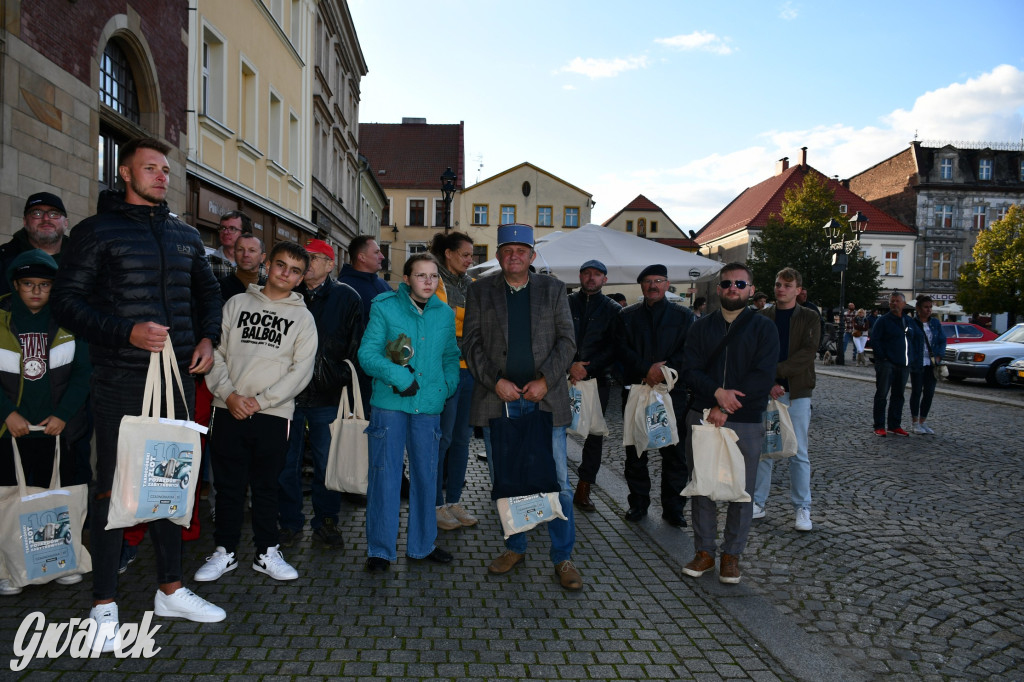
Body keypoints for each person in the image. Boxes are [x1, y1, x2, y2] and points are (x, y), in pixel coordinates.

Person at [51, 137, 226, 651]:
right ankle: (104, 603)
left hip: (175, 379)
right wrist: (123, 331)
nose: (162, 176)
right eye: (150, 168)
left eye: (166, 169)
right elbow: (65, 302)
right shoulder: (94, 231)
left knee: (169, 485)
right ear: (124, 173)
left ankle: (170, 588)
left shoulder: (185, 235)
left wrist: (208, 337)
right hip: (119, 377)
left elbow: (209, 290)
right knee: (115, 489)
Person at [463, 223, 581, 590]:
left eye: (522, 251)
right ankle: (515, 545)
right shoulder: (481, 291)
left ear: (531, 256)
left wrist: (546, 379)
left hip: (545, 401)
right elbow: (471, 344)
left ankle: (563, 557)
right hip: (500, 402)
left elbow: (567, 341)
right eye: (508, 250)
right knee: (507, 479)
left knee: (557, 481)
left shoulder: (553, 289)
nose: (515, 256)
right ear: (498, 255)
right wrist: (494, 380)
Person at [195, 241, 317, 583]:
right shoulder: (236, 303)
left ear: (301, 277)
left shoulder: (303, 318)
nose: (286, 274)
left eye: (295, 271)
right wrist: (229, 394)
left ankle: (267, 552)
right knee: (229, 486)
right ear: (268, 264)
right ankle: (225, 552)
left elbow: (301, 370)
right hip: (228, 407)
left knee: (267, 487)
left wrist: (261, 401)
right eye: (281, 265)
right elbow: (215, 353)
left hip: (274, 415)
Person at [358, 253, 460, 572]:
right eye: (421, 276)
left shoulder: (444, 313)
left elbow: (450, 356)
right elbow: (367, 354)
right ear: (407, 279)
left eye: (433, 276)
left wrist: (446, 387)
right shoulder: (384, 306)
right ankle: (380, 549)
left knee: (427, 477)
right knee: (384, 477)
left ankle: (422, 545)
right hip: (390, 405)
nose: (428, 282)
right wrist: (400, 377)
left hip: (428, 406)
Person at [0, 250, 91, 597]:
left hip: (58, 428)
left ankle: (63, 561)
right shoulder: (2, 318)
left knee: (62, 494)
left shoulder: (69, 319)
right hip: (10, 428)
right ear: (15, 285)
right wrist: (7, 413)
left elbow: (84, 374)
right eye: (28, 284)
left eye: (44, 285)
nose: (36, 291)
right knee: (10, 497)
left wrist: (64, 415)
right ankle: (10, 567)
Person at [681, 262, 778, 585]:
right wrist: (716, 395)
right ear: (718, 289)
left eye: (740, 284)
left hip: (745, 419)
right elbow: (690, 370)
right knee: (702, 486)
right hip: (703, 414)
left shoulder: (764, 328)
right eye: (726, 284)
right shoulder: (700, 327)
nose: (732, 288)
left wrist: (728, 406)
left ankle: (731, 555)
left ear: (751, 290)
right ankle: (705, 551)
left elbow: (763, 376)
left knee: (742, 490)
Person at [278, 238, 363, 549]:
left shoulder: (347, 297)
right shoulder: (287, 294)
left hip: (328, 396)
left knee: (328, 464)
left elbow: (357, 348)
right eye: (305, 258)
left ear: (331, 264)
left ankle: (326, 521)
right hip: (286, 395)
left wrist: (334, 377)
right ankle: (288, 522)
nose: (308, 263)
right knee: (286, 463)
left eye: (314, 258)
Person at [617, 264, 694, 527]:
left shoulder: (684, 316)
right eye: (648, 281)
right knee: (636, 452)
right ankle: (638, 504)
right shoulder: (626, 316)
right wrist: (644, 369)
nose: (653, 285)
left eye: (658, 280)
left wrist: (663, 371)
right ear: (641, 285)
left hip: (671, 393)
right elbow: (621, 350)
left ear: (667, 284)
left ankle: (674, 508)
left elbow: (689, 351)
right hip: (637, 389)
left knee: (674, 454)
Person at [752, 268, 819, 531]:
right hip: (767, 392)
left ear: (798, 289)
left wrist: (776, 374)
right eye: (779, 284)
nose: (781, 289)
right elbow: (754, 353)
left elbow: (808, 353)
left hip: (798, 392)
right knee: (765, 449)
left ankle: (803, 507)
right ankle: (757, 502)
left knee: (799, 452)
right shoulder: (761, 316)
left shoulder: (810, 317)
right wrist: (769, 382)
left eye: (787, 285)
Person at [429, 232, 478, 530]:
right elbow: (440, 327)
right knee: (442, 439)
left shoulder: (471, 285)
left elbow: (476, 326)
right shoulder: (433, 280)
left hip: (469, 370)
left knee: (462, 439)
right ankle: (435, 504)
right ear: (448, 253)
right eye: (465, 254)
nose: (470, 260)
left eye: (471, 255)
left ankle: (454, 500)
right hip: (444, 372)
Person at [567, 259, 622, 513]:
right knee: (555, 428)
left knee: (594, 436)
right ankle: (554, 485)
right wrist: (570, 365)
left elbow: (614, 347)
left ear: (605, 280)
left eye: (597, 274)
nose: (591, 278)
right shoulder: (566, 303)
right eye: (587, 273)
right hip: (564, 376)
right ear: (580, 276)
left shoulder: (612, 309)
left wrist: (587, 368)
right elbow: (556, 337)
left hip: (597, 379)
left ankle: (584, 486)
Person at [0, 192, 71, 298]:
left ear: (66, 223)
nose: (46, 219)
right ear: (25, 221)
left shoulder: (84, 259)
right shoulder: (4, 259)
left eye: (54, 214)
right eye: (37, 213)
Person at [870, 292, 919, 437]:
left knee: (898, 395)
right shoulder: (883, 321)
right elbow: (875, 340)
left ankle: (894, 424)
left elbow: (915, 339)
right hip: (887, 363)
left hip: (903, 364)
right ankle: (879, 425)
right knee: (882, 394)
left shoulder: (908, 321)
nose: (894, 304)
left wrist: (912, 357)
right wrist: (883, 358)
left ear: (903, 304)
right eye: (892, 301)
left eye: (897, 301)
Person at [909, 295, 946, 435]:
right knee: (917, 391)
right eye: (926, 307)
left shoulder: (935, 323)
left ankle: (923, 421)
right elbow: (909, 342)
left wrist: (939, 355)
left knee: (929, 392)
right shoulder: (912, 323)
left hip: (932, 363)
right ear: (918, 308)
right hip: (918, 362)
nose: (929, 310)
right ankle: (914, 422)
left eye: (930, 307)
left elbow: (942, 340)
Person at [219, 234, 267, 301]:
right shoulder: (219, 287)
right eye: (240, 250)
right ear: (235, 254)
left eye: (252, 250)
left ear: (262, 257)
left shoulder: (268, 289)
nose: (245, 255)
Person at [207, 210, 251, 280]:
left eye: (232, 229)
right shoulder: (207, 263)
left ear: (245, 235)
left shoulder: (254, 265)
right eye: (223, 228)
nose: (225, 232)